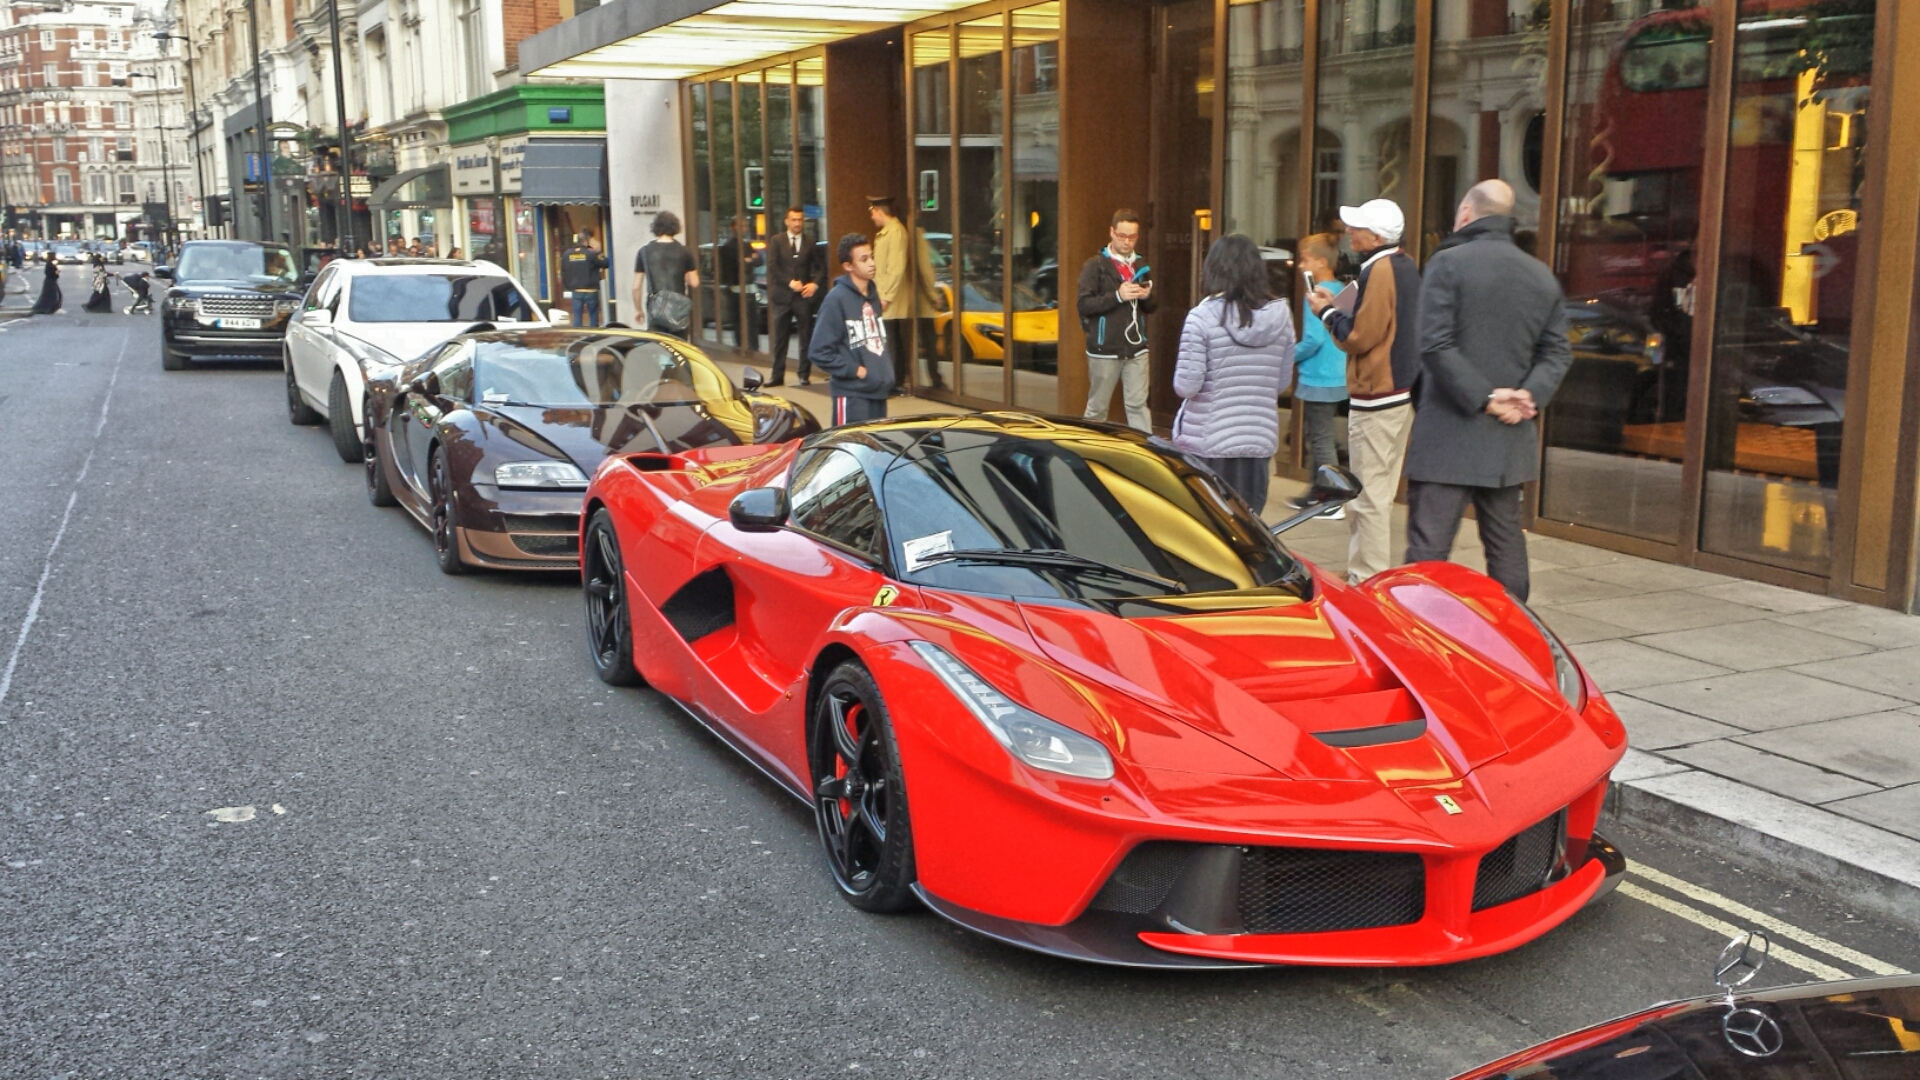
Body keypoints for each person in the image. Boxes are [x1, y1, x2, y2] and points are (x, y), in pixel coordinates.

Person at [1403, 180, 1572, 602]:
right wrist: (1529, 395)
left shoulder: (1447, 263)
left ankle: (1418, 630)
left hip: (1448, 434)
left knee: (1428, 556)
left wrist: (1486, 399)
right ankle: (1515, 628)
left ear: (1466, 212)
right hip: (1508, 437)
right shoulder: (1540, 274)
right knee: (1505, 544)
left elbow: (1434, 344)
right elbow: (1557, 351)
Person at [1307, 198, 1420, 584]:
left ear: (1376, 237)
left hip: (1378, 395)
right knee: (1379, 494)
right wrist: (1336, 307)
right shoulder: (1403, 265)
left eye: (1358, 228)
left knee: (1368, 496)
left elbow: (1358, 335)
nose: (1349, 232)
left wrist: (1325, 313)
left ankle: (1366, 577)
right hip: (1400, 393)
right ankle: (1370, 571)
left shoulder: (1380, 270)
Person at [1171, 234, 1296, 514]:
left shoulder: (1201, 318)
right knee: (1248, 527)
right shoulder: (1281, 317)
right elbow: (1281, 383)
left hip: (1209, 442)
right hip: (1258, 442)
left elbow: (1187, 386)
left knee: (1209, 526)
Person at [1077, 209, 1157, 432]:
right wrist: (1117, 296)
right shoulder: (1095, 265)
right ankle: (1089, 447)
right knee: (1097, 408)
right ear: (1112, 232)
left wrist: (1147, 296)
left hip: (1136, 348)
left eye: (1132, 237)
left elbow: (1151, 307)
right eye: (1122, 236)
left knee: (1138, 406)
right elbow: (1084, 304)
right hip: (1104, 349)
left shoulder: (1140, 265)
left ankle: (1145, 449)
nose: (1127, 242)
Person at [808, 233, 895, 425]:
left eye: (871, 256)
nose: (871, 263)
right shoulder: (836, 299)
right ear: (848, 266)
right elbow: (818, 351)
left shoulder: (873, 297)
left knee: (876, 445)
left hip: (878, 392)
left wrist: (882, 373)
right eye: (864, 259)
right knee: (850, 444)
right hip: (852, 396)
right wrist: (856, 371)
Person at [1293, 232, 1349, 517]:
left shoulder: (1315, 294)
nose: (1300, 265)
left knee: (1321, 439)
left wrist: (1287, 357)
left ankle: (1333, 499)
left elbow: (1313, 339)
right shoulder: (1342, 289)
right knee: (1319, 435)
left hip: (1319, 376)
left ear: (1322, 262)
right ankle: (1316, 492)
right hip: (1338, 374)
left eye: (1305, 260)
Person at [867, 197, 938, 393]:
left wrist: (886, 296)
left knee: (892, 343)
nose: (872, 217)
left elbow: (896, 268)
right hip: (886, 297)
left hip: (892, 300)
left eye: (872, 213)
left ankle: (894, 382)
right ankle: (894, 381)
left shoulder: (896, 232)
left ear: (880, 211)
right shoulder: (887, 232)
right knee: (891, 342)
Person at [764, 207, 822, 386]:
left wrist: (814, 284)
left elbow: (821, 267)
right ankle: (777, 375)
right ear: (786, 221)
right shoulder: (777, 241)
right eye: (794, 220)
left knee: (805, 336)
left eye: (800, 220)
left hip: (803, 297)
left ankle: (804, 374)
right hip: (782, 296)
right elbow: (773, 267)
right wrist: (789, 282)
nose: (797, 223)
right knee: (780, 338)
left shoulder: (810, 242)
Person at [632, 210, 699, 341]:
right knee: (678, 345)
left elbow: (636, 287)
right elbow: (694, 282)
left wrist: (638, 309)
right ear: (675, 227)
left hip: (656, 307)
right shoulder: (685, 251)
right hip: (678, 308)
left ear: (655, 228)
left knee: (658, 345)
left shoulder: (644, 252)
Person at [560, 232, 609, 328]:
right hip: (591, 291)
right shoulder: (591, 254)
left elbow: (563, 272)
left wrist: (568, 286)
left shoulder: (566, 254)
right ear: (586, 241)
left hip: (576, 291)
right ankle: (593, 335)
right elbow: (606, 263)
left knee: (577, 319)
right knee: (593, 317)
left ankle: (578, 335)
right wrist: (598, 251)